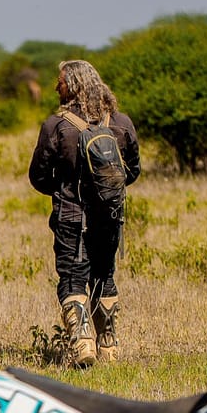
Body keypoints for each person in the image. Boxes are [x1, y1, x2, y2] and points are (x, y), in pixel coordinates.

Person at [27, 59, 140, 366]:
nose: (55, 87)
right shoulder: (121, 122)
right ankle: (109, 347)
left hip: (70, 217)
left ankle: (82, 344)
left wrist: (64, 192)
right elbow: (132, 171)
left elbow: (37, 175)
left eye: (60, 82)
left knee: (72, 278)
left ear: (73, 85)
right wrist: (105, 194)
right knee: (105, 275)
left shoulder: (57, 125)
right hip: (110, 216)